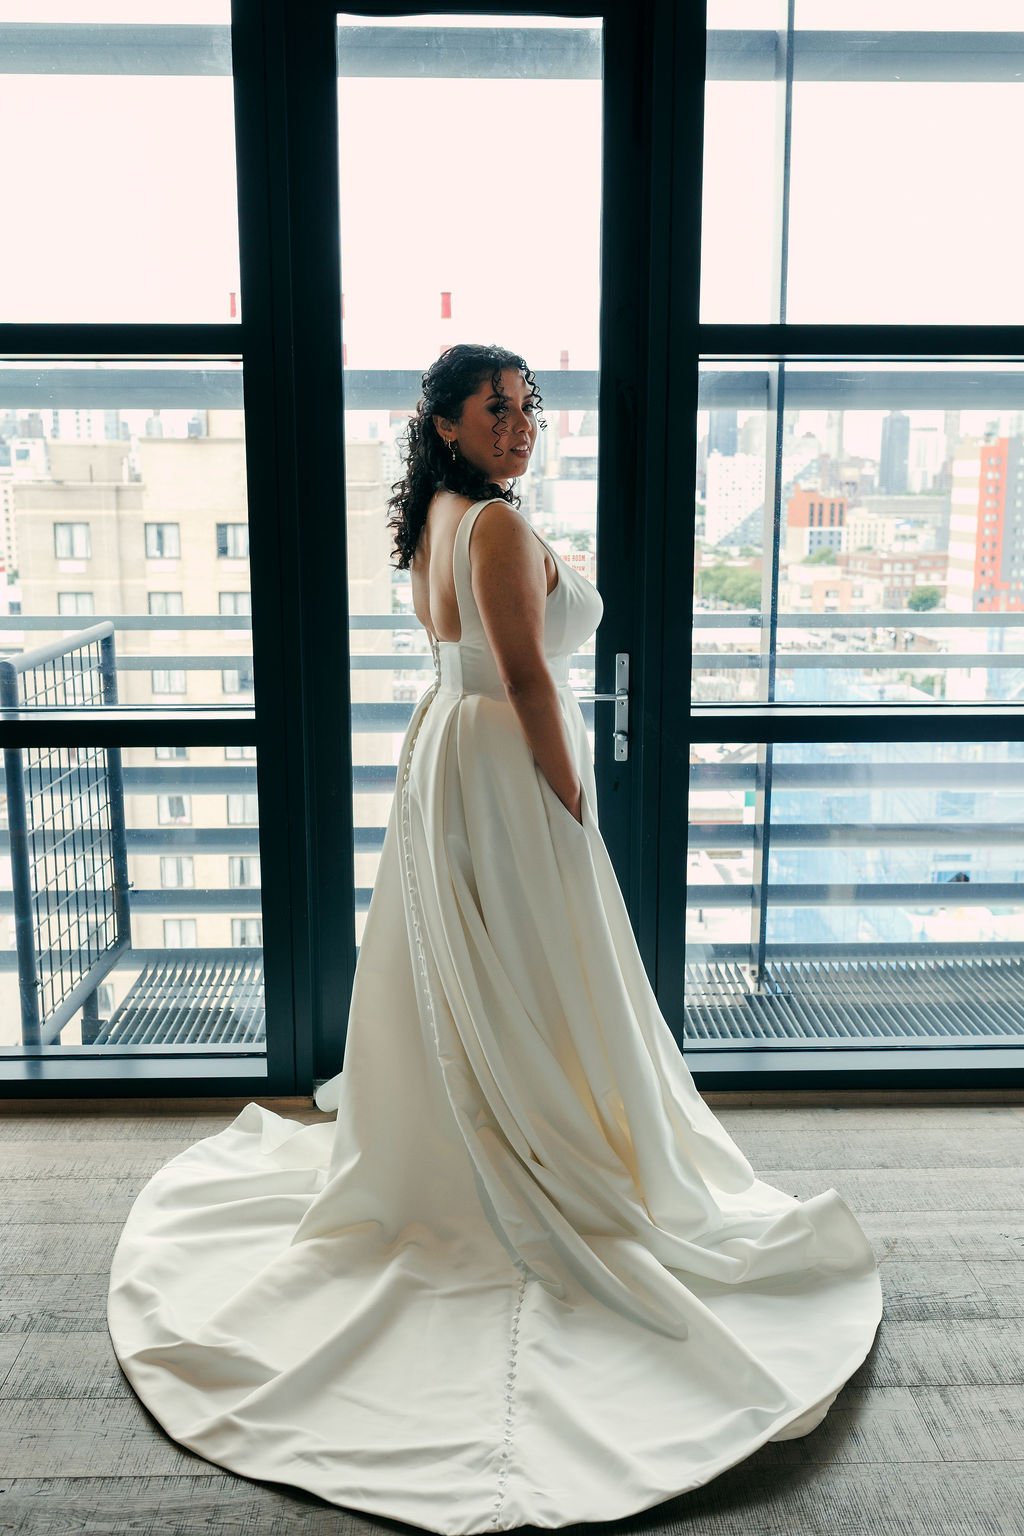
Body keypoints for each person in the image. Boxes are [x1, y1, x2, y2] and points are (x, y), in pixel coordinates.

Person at [107, 342, 883, 1535]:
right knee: (536, 961)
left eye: (529, 406)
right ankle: (534, 1146)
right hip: (502, 764)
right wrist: (571, 806)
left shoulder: (435, 518)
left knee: (472, 970)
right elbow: (527, 676)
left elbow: (474, 661)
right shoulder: (499, 532)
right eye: (496, 408)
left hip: (443, 759)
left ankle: (486, 1129)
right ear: (448, 422)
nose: (521, 424)